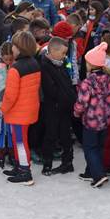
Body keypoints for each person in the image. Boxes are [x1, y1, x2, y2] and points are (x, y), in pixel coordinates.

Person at [0, 31, 42, 185]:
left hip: (18, 112)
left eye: (14, 47)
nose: (12, 50)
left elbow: (10, 95)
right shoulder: (34, 63)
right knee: (20, 139)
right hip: (29, 109)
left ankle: (25, 171)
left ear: (18, 49)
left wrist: (3, 108)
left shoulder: (15, 69)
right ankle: (19, 166)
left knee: (19, 141)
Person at [74, 42, 110, 188]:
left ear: (91, 64)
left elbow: (82, 102)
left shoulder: (88, 82)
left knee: (90, 148)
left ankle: (98, 175)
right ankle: (89, 172)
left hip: (91, 121)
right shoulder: (109, 79)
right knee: (98, 147)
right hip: (105, 120)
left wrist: (76, 112)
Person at [38, 37, 78, 176]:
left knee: (65, 134)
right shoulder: (44, 65)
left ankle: (68, 162)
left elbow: (67, 81)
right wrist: (63, 96)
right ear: (53, 51)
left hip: (65, 106)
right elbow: (50, 89)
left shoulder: (62, 63)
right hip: (52, 106)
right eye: (62, 52)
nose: (65, 55)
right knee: (51, 134)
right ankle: (47, 164)